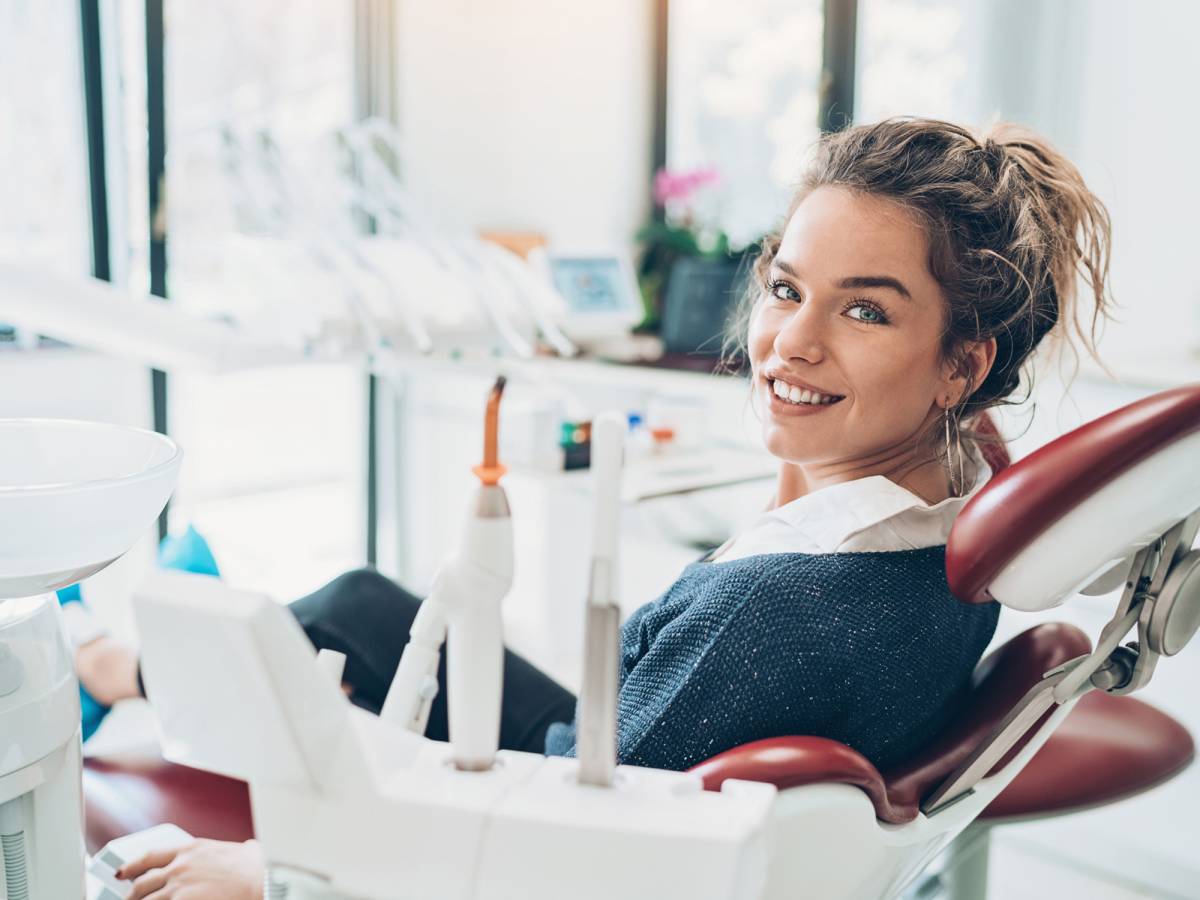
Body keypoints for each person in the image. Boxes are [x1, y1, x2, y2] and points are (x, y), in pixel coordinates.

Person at [104, 117, 1111, 898]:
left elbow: (563, 849)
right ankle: (124, 666)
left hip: (551, 798)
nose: (787, 345)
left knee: (337, 631)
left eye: (864, 309)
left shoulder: (767, 623)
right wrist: (799, 462)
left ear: (962, 363)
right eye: (785, 288)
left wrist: (273, 871)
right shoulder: (968, 498)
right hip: (634, 739)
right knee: (362, 605)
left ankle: (110, 672)